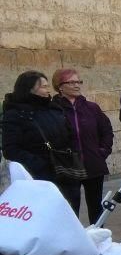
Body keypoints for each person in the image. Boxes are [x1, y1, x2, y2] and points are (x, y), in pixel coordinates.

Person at [2, 71, 82, 212]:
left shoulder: (53, 108)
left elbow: (70, 135)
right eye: (43, 86)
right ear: (30, 89)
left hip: (67, 171)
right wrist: (39, 164)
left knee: (70, 213)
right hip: (40, 177)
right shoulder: (15, 114)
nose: (48, 90)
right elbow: (11, 149)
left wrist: (73, 154)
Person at [52, 68, 114, 224]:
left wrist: (103, 151)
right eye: (71, 82)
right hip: (68, 166)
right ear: (60, 86)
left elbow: (106, 129)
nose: (76, 85)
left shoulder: (91, 108)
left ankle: (99, 238)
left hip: (92, 163)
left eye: (78, 81)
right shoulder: (53, 109)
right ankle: (73, 241)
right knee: (70, 206)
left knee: (96, 207)